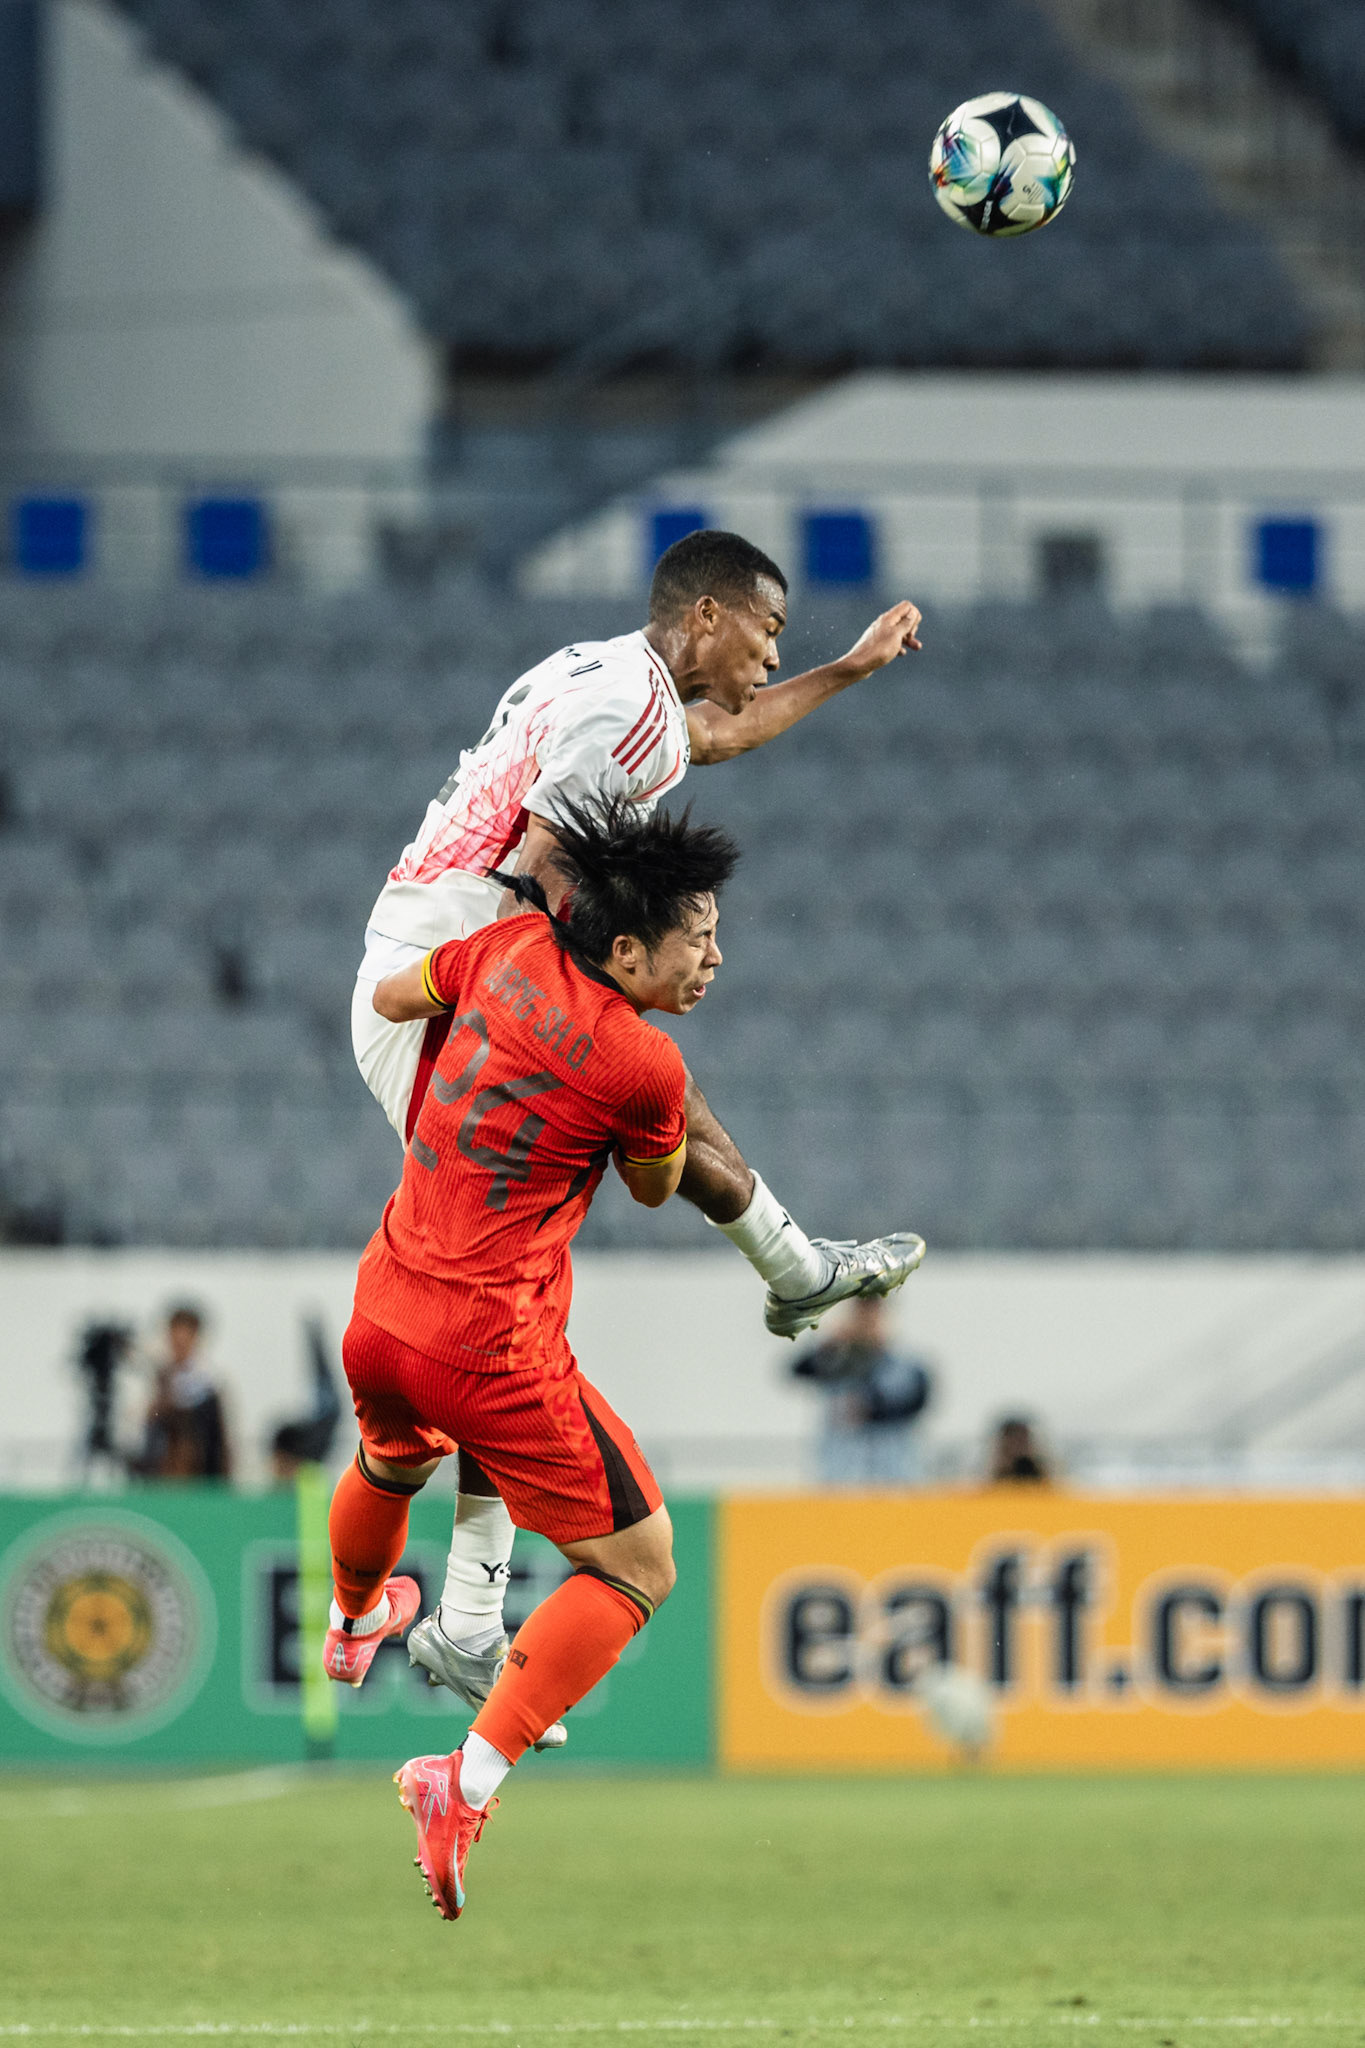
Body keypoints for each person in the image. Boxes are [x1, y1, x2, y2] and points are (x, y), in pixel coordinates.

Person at [351, 528, 927, 1723]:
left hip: (437, 961)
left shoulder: (623, 684)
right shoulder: (623, 704)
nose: (776, 656)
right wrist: (588, 1012)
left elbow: (715, 736)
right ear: (708, 615)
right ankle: (462, 1614)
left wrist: (853, 670)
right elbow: (563, 857)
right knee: (510, 1277)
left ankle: (456, 1613)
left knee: (509, 1277)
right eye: (770, 632)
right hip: (442, 981)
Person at [323, 799, 925, 1919]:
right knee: (640, 1565)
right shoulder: (642, 1060)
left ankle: (354, 1619)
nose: (716, 956)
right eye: (699, 936)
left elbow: (396, 995)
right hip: (489, 1345)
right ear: (629, 948)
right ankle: (464, 1778)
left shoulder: (501, 950)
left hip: (382, 1301)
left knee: (389, 1461)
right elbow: (653, 1186)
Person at [790, 1296, 933, 1486]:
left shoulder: (904, 1366)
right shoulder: (836, 1362)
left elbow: (914, 1401)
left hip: (893, 1479)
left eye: (872, 1315)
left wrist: (869, 1405)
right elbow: (798, 1369)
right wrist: (830, 1343)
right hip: (839, 1478)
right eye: (860, 1315)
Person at [134, 1305, 232, 1481]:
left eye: (184, 1341)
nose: (178, 1346)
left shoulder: (210, 1381)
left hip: (201, 1475)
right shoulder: (159, 1376)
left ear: (195, 1339)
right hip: (160, 1474)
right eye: (174, 1340)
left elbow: (219, 1440)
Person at [988, 1416, 1051, 1485]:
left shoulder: (1040, 1473)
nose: (1019, 1443)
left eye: (1023, 1438)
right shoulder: (993, 1476)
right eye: (1014, 1438)